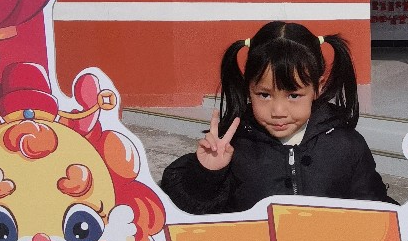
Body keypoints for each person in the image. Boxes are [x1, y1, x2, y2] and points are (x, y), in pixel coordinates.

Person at [160, 21, 392, 214]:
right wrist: (207, 174)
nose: (278, 111)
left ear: (317, 88)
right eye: (264, 94)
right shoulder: (233, 148)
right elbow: (184, 210)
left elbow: (377, 209)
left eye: (293, 95)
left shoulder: (347, 145)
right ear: (248, 88)